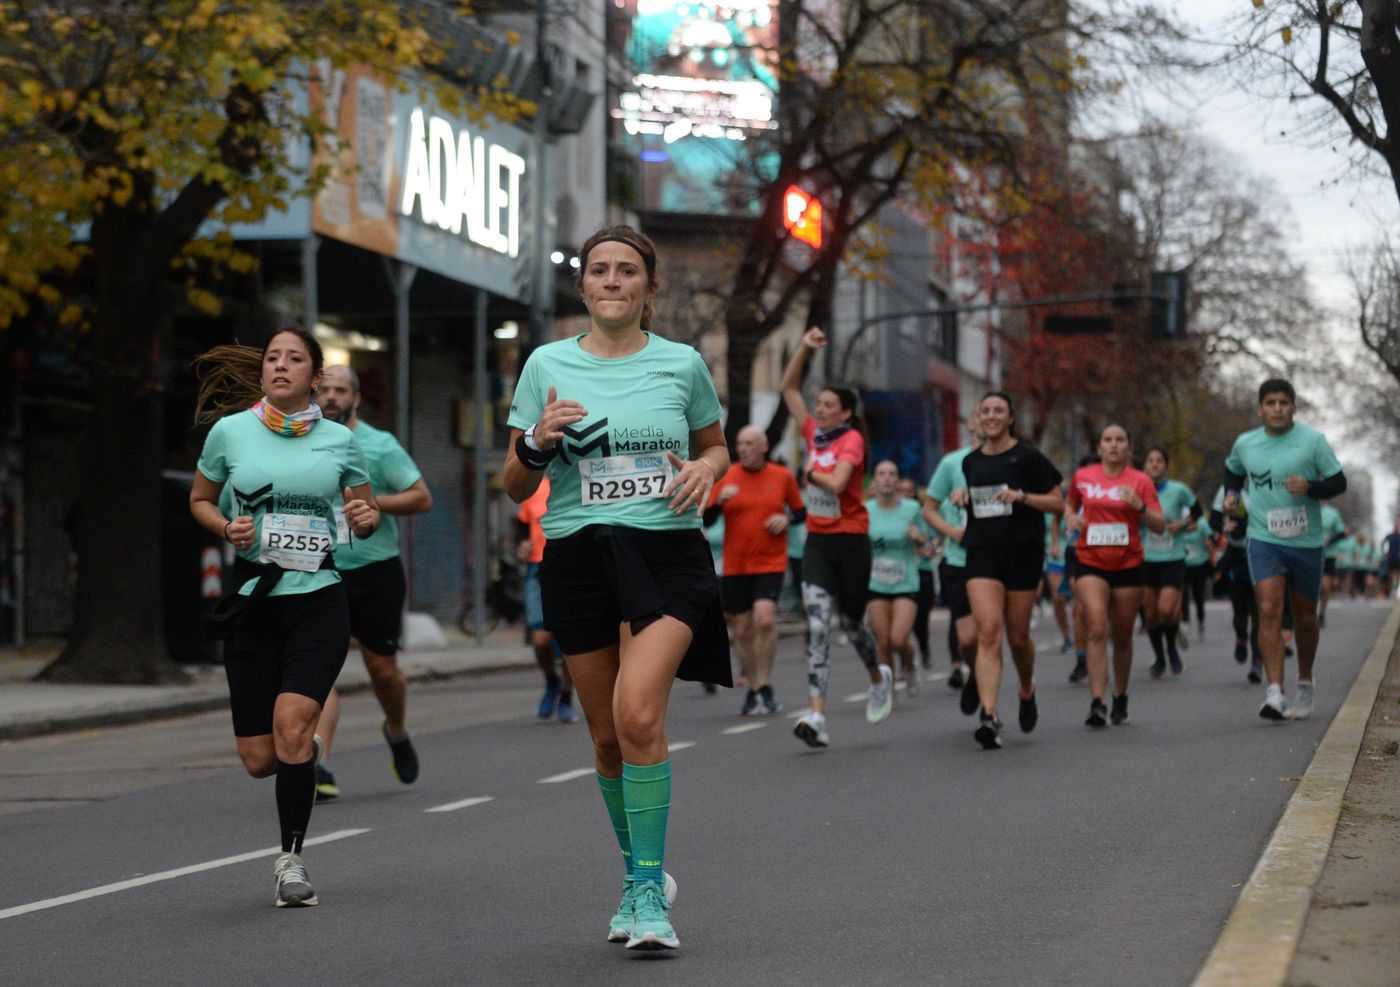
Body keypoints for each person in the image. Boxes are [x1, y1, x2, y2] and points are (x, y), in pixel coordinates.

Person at [505, 225, 729, 951]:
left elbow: (714, 443)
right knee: (605, 739)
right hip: (577, 555)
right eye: (599, 270)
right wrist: (537, 441)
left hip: (665, 553)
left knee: (638, 714)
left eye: (626, 271)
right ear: (584, 287)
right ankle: (639, 871)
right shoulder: (545, 364)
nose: (611, 281)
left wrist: (708, 470)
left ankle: (648, 896)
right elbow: (513, 483)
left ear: (647, 288)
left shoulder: (682, 363)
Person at [189, 327, 379, 907]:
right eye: (273, 358)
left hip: (317, 597)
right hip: (254, 600)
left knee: (294, 725)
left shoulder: (340, 442)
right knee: (259, 758)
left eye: (295, 358)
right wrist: (226, 527)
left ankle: (290, 862)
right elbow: (200, 498)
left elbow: (363, 513)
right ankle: (302, 761)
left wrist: (363, 518)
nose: (280, 366)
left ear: (314, 376)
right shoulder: (230, 433)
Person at [308, 365, 432, 801]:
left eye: (340, 390)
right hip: (319, 568)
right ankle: (317, 761)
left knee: (383, 670)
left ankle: (396, 729)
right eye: (323, 390)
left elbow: (421, 496)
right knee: (320, 667)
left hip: (375, 569)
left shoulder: (379, 445)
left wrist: (370, 502)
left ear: (356, 398)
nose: (331, 398)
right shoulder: (300, 443)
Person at [780, 327, 892, 749]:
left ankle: (878, 675)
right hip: (818, 544)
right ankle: (817, 715)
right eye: (819, 404)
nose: (820, 410)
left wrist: (810, 474)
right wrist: (805, 347)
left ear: (845, 412)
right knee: (818, 625)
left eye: (828, 405)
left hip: (851, 544)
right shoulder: (813, 434)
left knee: (851, 624)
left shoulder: (852, 440)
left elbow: (839, 481)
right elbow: (788, 386)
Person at [1223, 378, 1346, 720]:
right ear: (1260, 409)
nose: (1277, 408)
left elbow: (1339, 482)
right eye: (1271, 403)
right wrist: (1231, 496)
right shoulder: (1246, 444)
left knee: (1305, 616)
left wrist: (1311, 487)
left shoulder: (1313, 442)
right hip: (1264, 539)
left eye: (1284, 402)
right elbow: (1231, 471)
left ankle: (1304, 681)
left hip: (1305, 542)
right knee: (1267, 607)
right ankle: (1275, 691)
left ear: (1294, 407)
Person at [948, 392, 1064, 750]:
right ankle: (990, 714)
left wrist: (1023, 497)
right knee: (988, 631)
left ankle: (1026, 689)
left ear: (1011, 418)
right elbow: (977, 500)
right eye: (986, 411)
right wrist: (961, 497)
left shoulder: (1028, 458)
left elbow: (1058, 503)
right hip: (982, 552)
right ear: (979, 418)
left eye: (999, 410)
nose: (992, 416)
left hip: (1023, 555)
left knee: (1017, 638)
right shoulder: (970, 462)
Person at [1065, 425, 1166, 727]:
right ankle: (1097, 701)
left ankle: (1120, 695)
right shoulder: (1084, 477)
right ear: (1099, 447)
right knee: (1096, 626)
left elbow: (1159, 525)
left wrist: (1141, 506)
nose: (1113, 445)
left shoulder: (1141, 480)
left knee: (1122, 635)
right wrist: (1070, 516)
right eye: (1107, 440)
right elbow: (1070, 503)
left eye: (1120, 440)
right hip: (1090, 560)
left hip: (1128, 563)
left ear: (1129, 448)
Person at [704, 424, 805, 715]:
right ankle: (754, 686)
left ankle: (766, 681)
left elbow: (800, 511)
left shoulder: (782, 476)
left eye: (749, 443)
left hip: (770, 561)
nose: (743, 448)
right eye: (739, 443)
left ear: (763, 447)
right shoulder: (727, 477)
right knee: (742, 631)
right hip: (736, 565)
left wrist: (785, 519)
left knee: (764, 619)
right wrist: (718, 502)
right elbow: (707, 520)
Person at [920, 413, 980, 697]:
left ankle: (989, 708)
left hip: (998, 560)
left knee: (994, 634)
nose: (985, 419)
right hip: (959, 558)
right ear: (970, 422)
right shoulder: (951, 463)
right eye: (980, 413)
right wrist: (952, 531)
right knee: (967, 639)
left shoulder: (1014, 460)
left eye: (995, 412)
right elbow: (929, 509)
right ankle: (974, 675)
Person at [865, 461, 931, 696]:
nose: (887, 478)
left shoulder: (912, 508)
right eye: (881, 474)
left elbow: (928, 545)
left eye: (892, 474)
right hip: (875, 582)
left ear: (898, 480)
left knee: (898, 638)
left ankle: (910, 663)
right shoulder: (865, 510)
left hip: (906, 581)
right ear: (875, 480)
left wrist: (919, 538)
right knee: (882, 640)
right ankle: (887, 688)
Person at [517, 477, 577, 723]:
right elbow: (522, 531)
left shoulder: (577, 481)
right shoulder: (535, 488)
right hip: (537, 568)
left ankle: (565, 696)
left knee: (567, 641)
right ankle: (552, 681)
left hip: (571, 567)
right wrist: (520, 546)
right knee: (540, 639)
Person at [1140, 447, 1202, 678]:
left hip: (1173, 558)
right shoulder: (1139, 490)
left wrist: (1183, 525)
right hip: (1147, 559)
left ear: (1166, 465)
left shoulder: (1178, 490)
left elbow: (1197, 511)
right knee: (1150, 615)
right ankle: (1160, 658)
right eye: (1150, 460)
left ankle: (1173, 651)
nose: (1154, 465)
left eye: (1159, 461)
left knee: (1166, 610)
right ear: (1145, 465)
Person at [898, 476, 939, 673]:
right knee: (898, 625)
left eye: (909, 491)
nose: (906, 495)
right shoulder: (891, 514)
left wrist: (919, 539)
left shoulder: (922, 514)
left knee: (920, 620)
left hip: (922, 572)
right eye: (902, 491)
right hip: (899, 575)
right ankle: (903, 664)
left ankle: (923, 647)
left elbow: (932, 543)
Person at [1181, 512, 1212, 639]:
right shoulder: (1179, 522)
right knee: (1183, 596)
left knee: (1198, 596)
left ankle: (1200, 622)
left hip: (1199, 564)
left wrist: (1208, 543)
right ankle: (1186, 623)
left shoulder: (1202, 524)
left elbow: (1209, 542)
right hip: (1183, 564)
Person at [1317, 504, 1346, 625]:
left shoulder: (1332, 513)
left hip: (1328, 554)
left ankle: (1322, 613)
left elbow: (1342, 533)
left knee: (1325, 587)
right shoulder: (1304, 507)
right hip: (1308, 552)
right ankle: (1308, 614)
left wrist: (1330, 539)